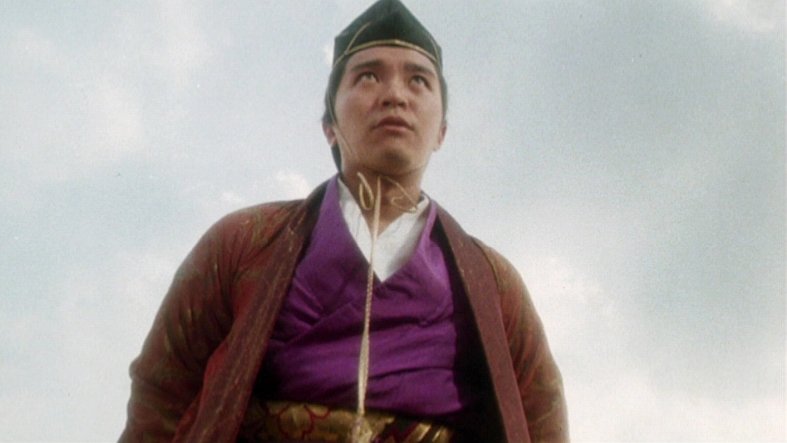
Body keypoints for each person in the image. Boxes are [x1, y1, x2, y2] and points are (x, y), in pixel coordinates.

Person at [120, 1, 567, 442]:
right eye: (368, 76)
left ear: (442, 132)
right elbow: (161, 396)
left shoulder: (493, 284)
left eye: (418, 80)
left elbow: (540, 419)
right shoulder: (241, 245)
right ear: (329, 126)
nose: (395, 96)